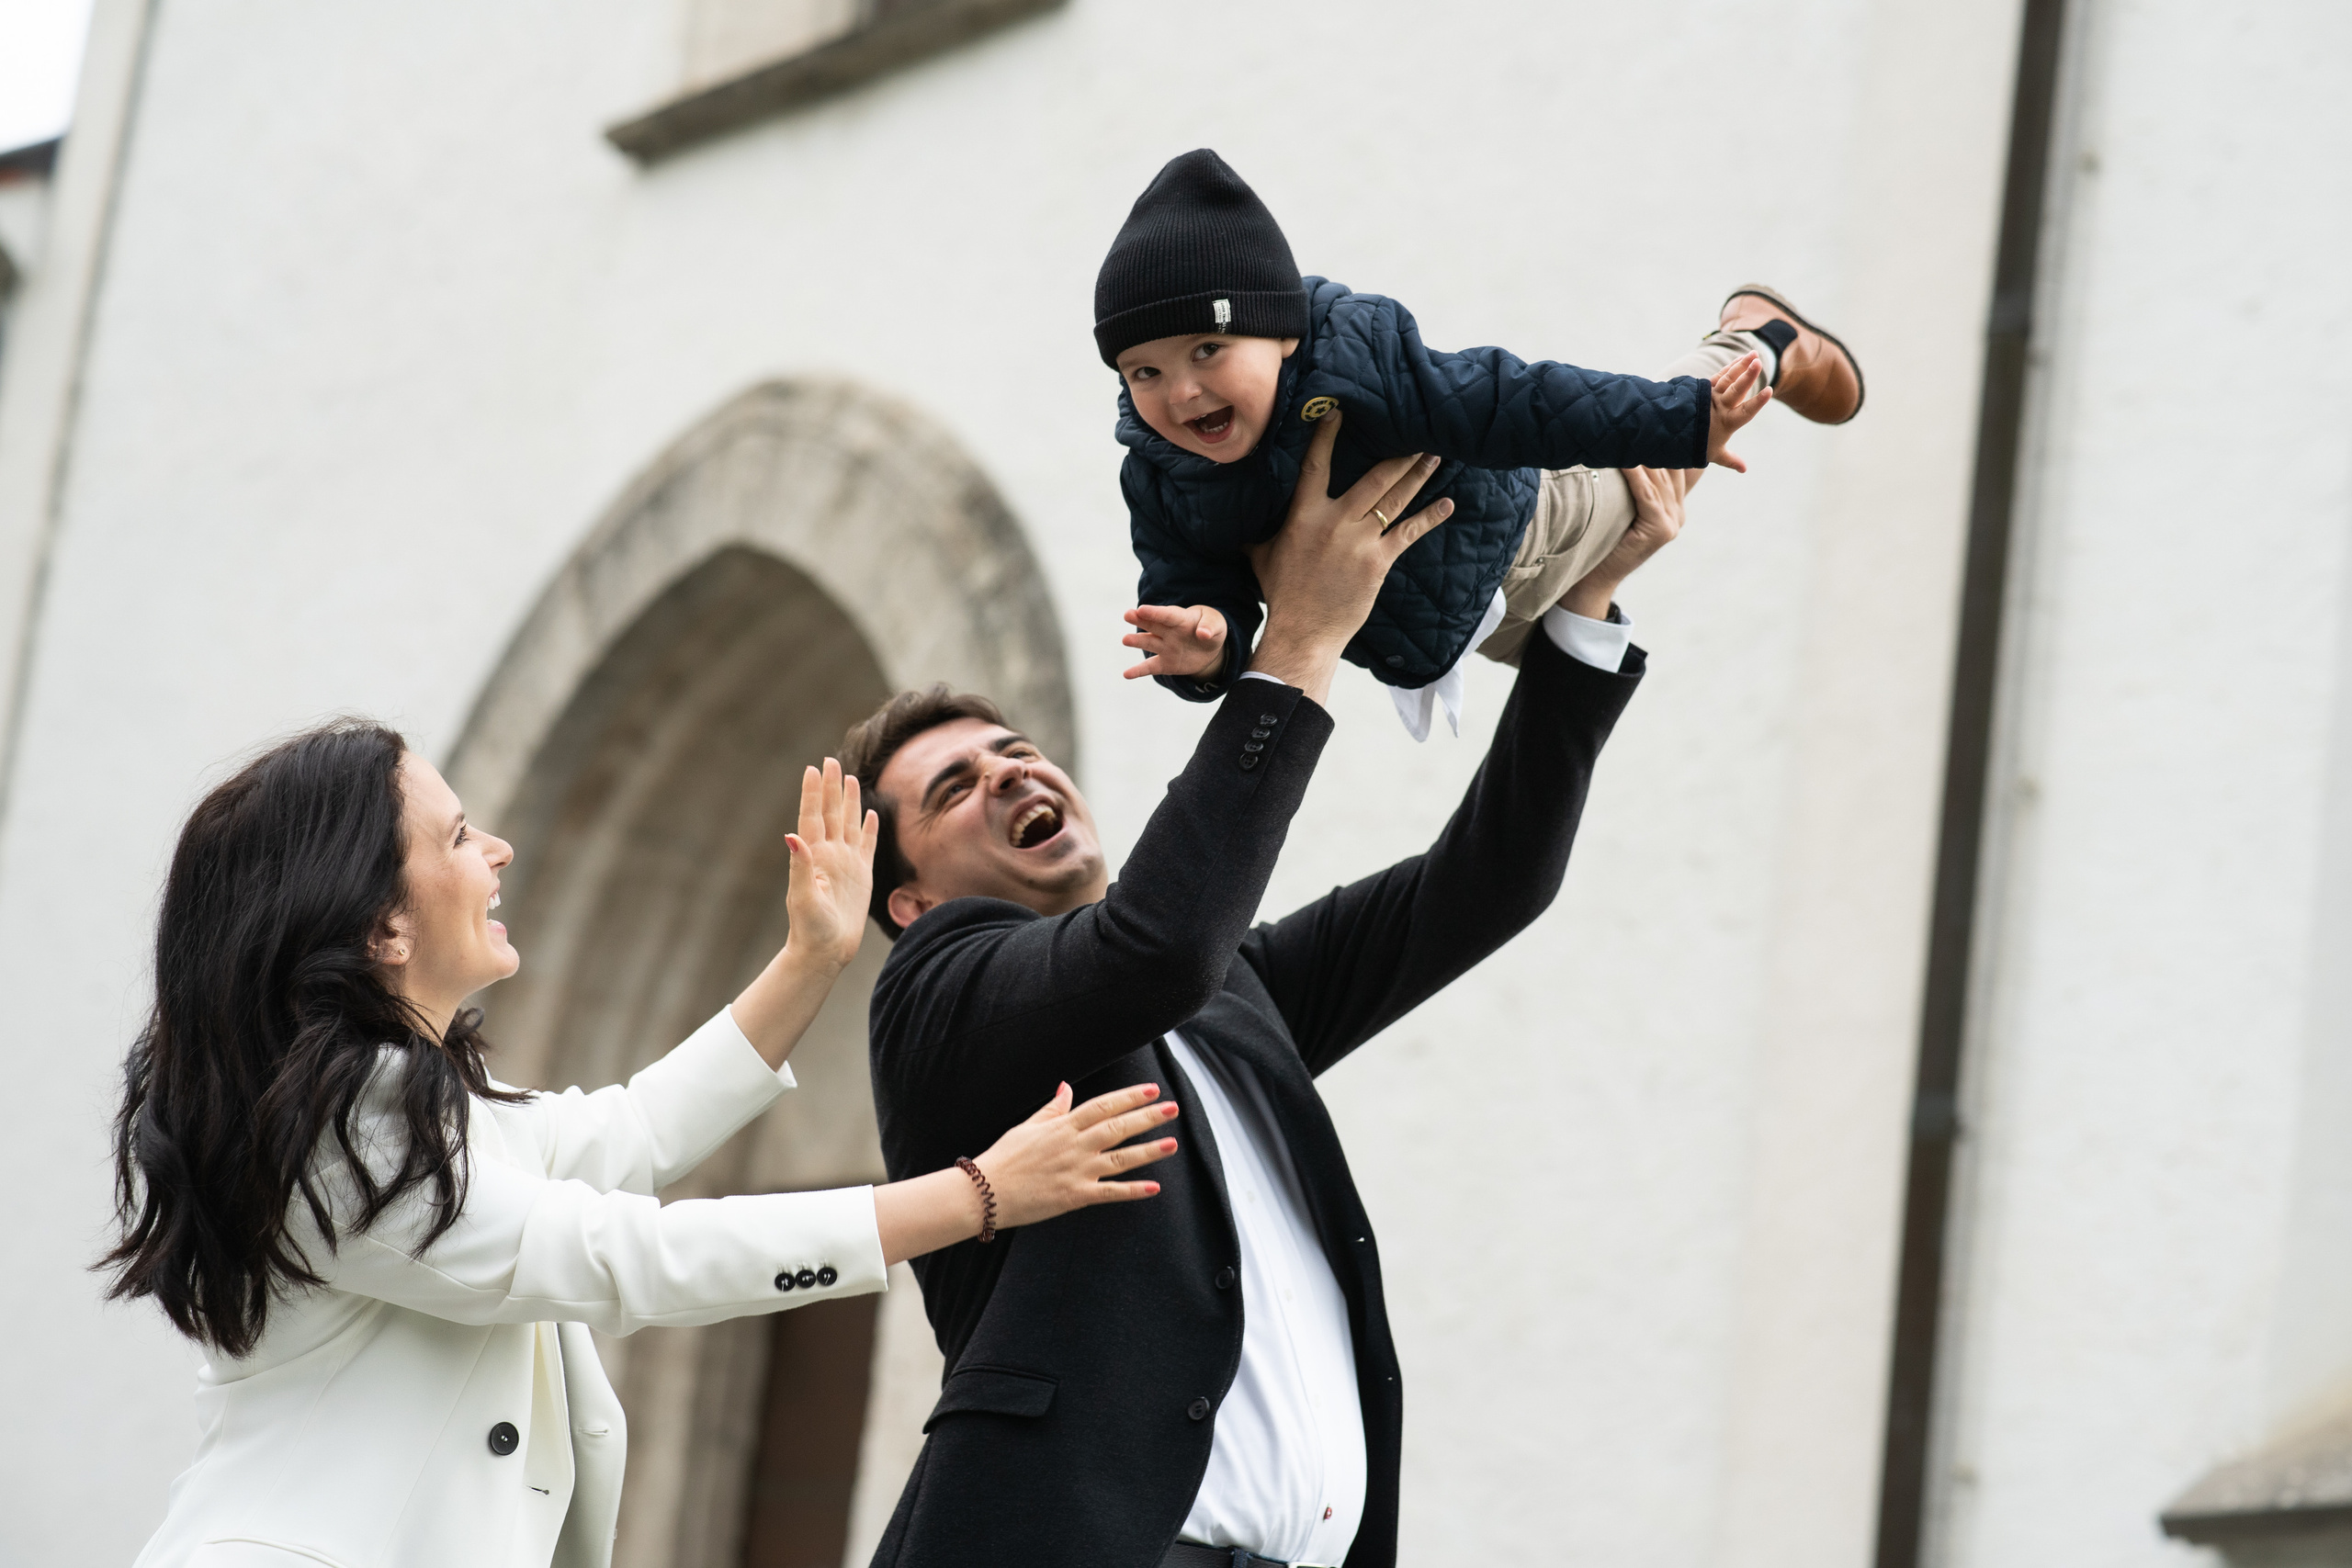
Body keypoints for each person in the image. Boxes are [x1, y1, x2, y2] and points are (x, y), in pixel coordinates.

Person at [846, 408, 1691, 1567]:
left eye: (1016, 751)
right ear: (907, 903)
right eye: (953, 788)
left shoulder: (1226, 991)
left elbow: (1485, 885)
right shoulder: (940, 996)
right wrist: (1296, 642)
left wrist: (1581, 611)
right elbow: (1153, 947)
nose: (1010, 773)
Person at [105, 733, 1181, 1568]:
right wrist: (976, 1195)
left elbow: (634, 1130)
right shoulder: (342, 1135)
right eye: (457, 835)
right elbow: (627, 1255)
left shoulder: (410, 1109)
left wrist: (812, 958)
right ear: (380, 923)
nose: (498, 850)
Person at [1103, 148, 1863, 739]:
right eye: (1145, 371)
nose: (1181, 393)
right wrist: (1208, 644)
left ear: (1281, 331)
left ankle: (1760, 341)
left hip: (1532, 528)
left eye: (1208, 349)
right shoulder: (1163, 476)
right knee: (1567, 689)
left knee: (1646, 472)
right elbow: (1193, 584)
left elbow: (1516, 400)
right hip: (1451, 625)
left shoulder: (1356, 362)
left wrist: (1686, 417)